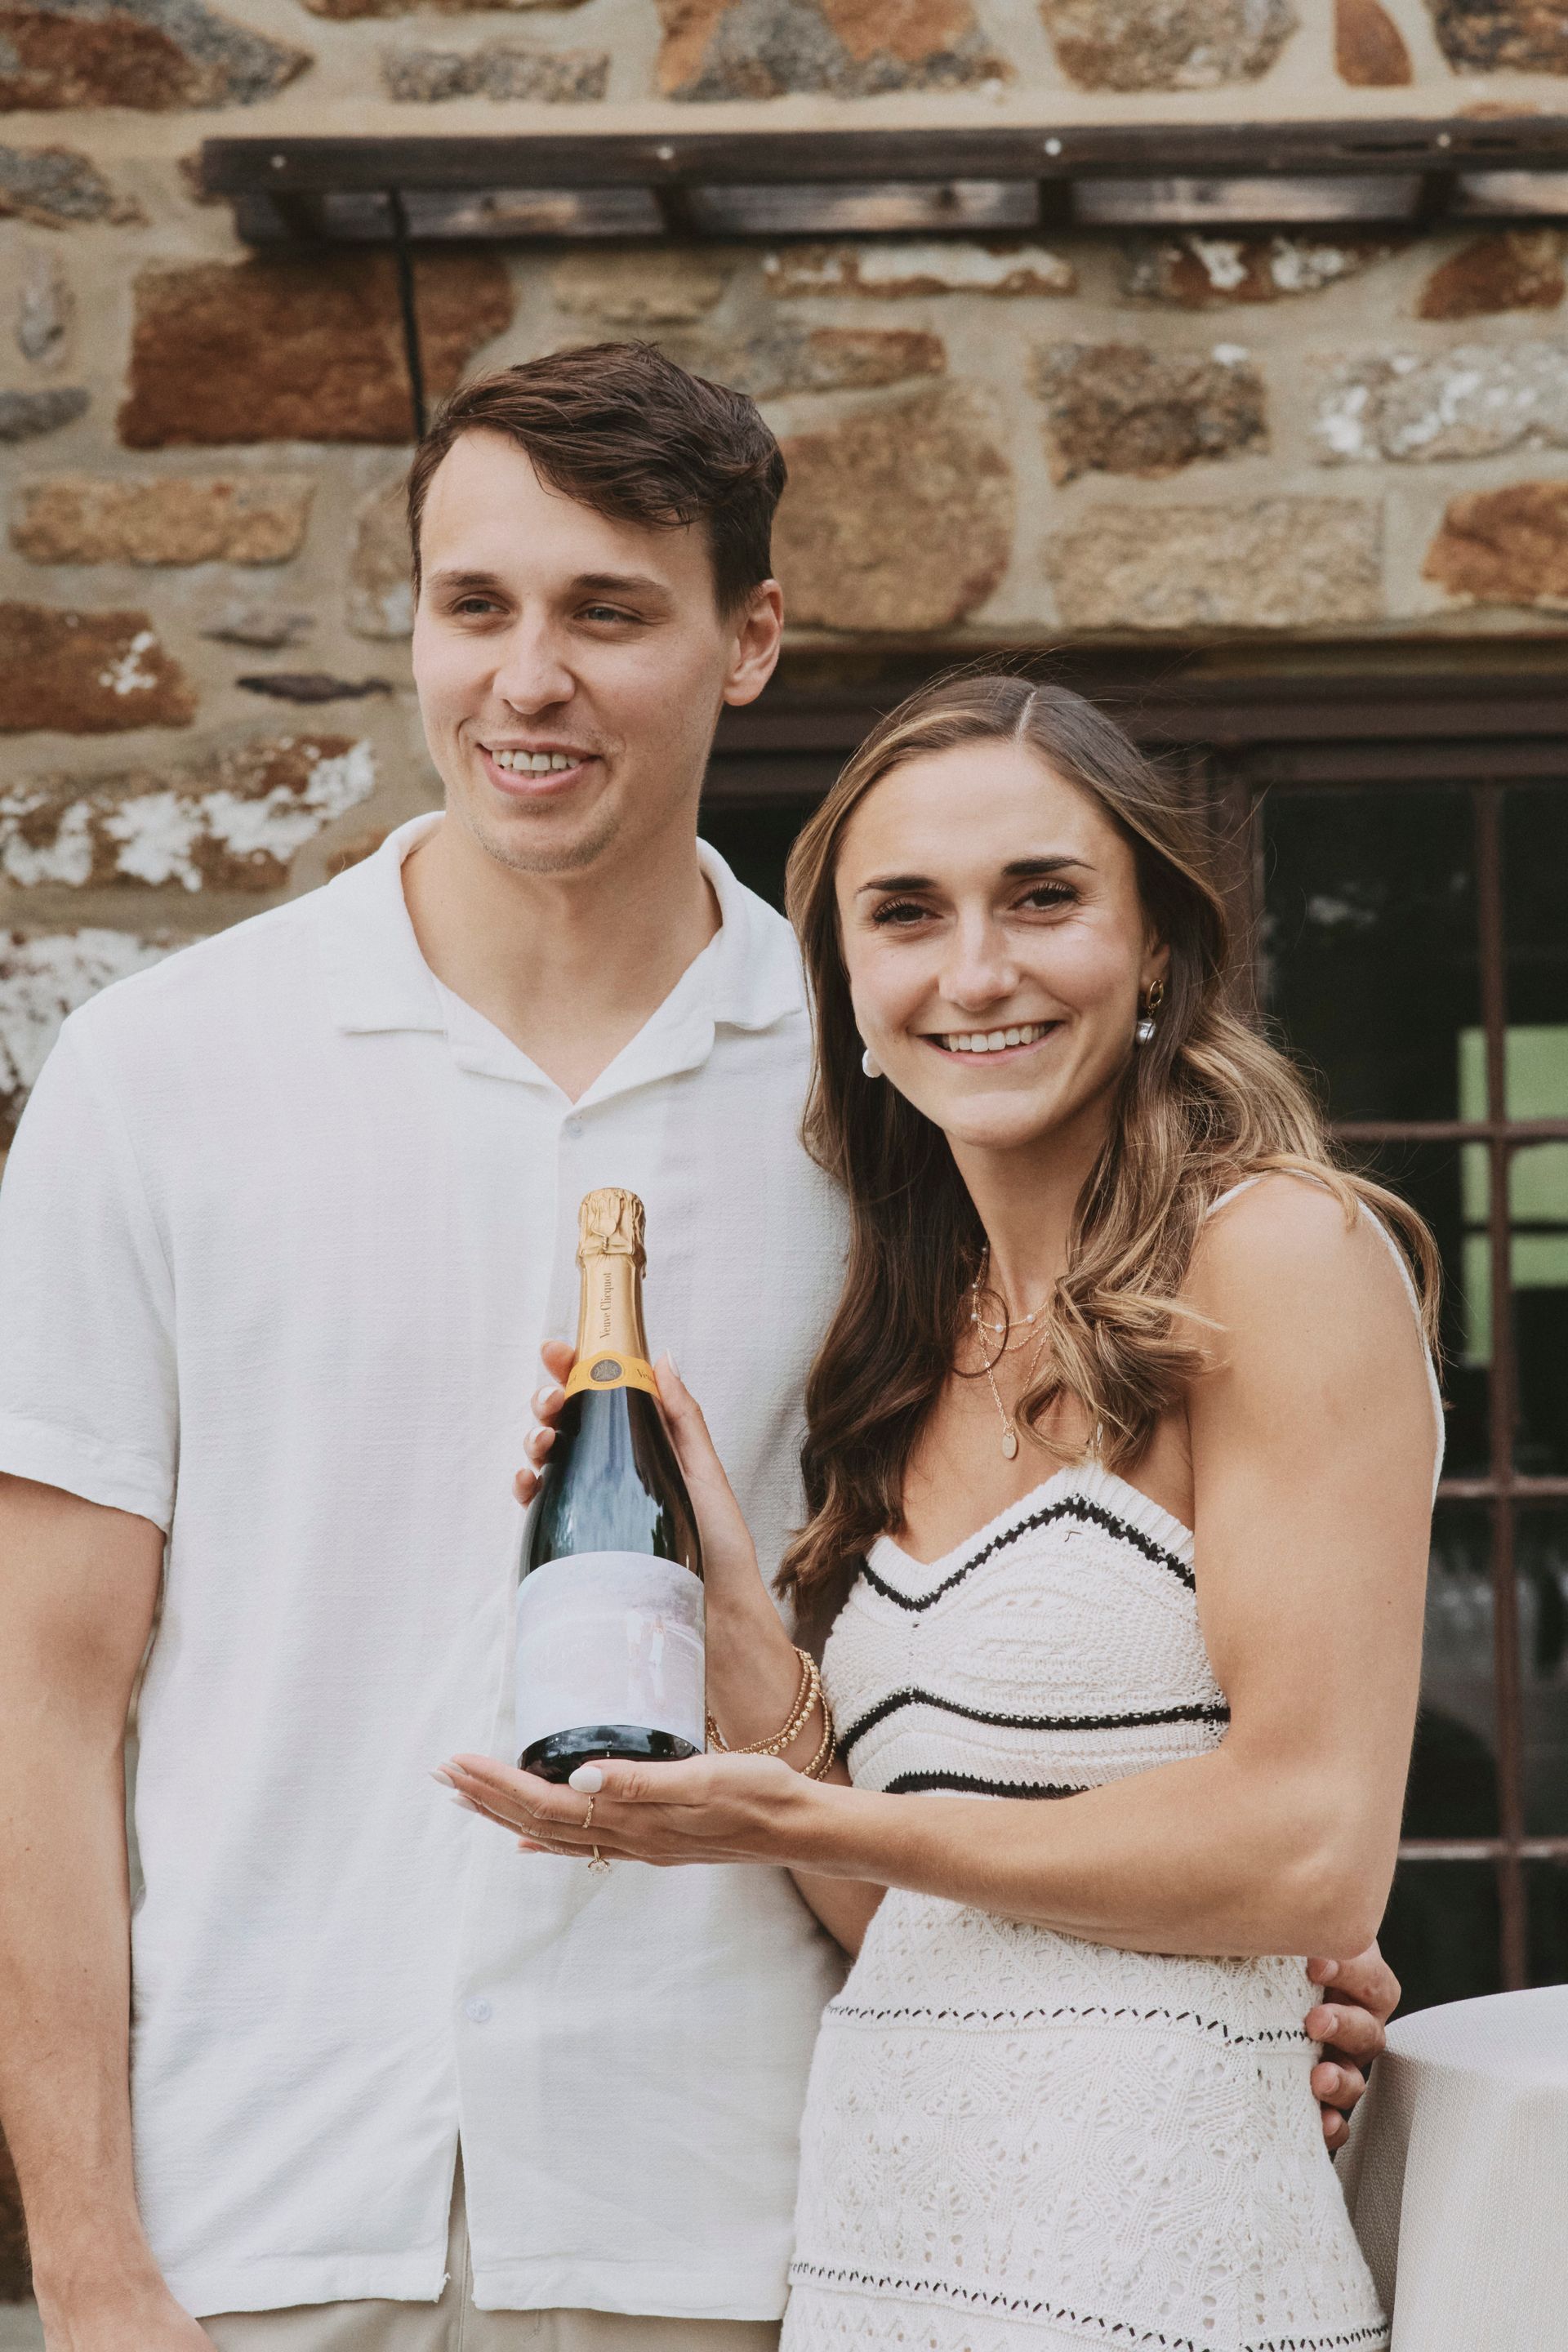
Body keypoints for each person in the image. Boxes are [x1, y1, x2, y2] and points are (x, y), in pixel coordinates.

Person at [0, 352, 1390, 2352]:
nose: (527, 679)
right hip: (264, 2222)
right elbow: (45, 1702)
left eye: (609, 612)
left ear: (749, 642)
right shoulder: (164, 1072)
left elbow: (1080, 1619)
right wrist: (89, 2259)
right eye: (474, 606)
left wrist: (1266, 1964)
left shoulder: (896, 1103)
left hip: (749, 2212)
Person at [453, 670, 1441, 2351]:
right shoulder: (915, 1335)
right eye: (905, 916)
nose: (975, 971)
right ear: (847, 986)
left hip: (1161, 2276)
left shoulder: (1277, 1256)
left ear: (1154, 951)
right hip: (886, 2261)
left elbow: (1307, 1849)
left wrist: (801, 1821)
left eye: (1042, 900)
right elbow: (918, 1918)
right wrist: (752, 1649)